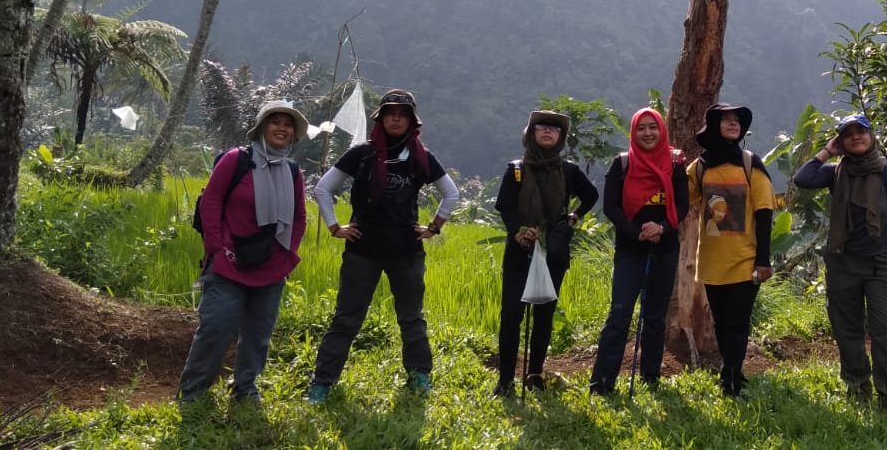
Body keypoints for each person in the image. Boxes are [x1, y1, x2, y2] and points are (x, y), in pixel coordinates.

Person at [306, 89, 460, 402]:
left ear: (411, 122)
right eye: (390, 113)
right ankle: (322, 382)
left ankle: (419, 376)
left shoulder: (421, 157)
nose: (396, 119)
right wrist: (335, 227)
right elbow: (323, 189)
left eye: (402, 115)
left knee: (411, 317)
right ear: (381, 117)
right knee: (347, 318)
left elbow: (451, 194)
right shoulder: (361, 153)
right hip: (363, 249)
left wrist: (434, 227)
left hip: (406, 250)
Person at [178, 100, 309, 404]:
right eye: (274, 122)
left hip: (272, 266)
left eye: (287, 124)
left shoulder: (292, 172)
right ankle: (193, 393)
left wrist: (289, 252)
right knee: (216, 326)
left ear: (293, 133)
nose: (281, 128)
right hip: (229, 262)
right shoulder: (237, 160)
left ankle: (245, 388)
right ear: (262, 127)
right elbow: (211, 201)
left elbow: (299, 216)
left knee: (258, 334)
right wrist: (216, 248)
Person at [792, 113, 887, 411]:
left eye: (862, 132)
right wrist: (827, 151)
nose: (856, 137)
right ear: (841, 141)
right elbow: (803, 178)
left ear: (872, 137)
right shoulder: (835, 173)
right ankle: (858, 389)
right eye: (848, 134)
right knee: (847, 330)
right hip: (844, 263)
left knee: (885, 331)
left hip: (881, 265)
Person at [490, 110, 600, 397]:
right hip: (520, 249)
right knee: (512, 314)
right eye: (542, 127)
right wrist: (519, 231)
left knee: (544, 314)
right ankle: (505, 380)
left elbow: (591, 196)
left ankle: (535, 374)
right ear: (531, 133)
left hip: (553, 251)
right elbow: (505, 206)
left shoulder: (568, 170)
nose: (548, 132)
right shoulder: (516, 169)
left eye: (554, 129)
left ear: (561, 137)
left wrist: (573, 218)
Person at [589, 107, 688, 395]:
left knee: (655, 317)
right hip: (630, 250)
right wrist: (638, 233)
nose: (647, 133)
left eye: (652, 127)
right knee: (619, 315)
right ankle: (602, 382)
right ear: (634, 131)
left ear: (661, 130)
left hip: (665, 248)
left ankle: (651, 377)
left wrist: (660, 228)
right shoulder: (621, 164)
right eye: (641, 128)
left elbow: (682, 206)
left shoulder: (675, 163)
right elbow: (611, 208)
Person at [689, 103, 774, 397]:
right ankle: (732, 370)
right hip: (712, 261)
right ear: (714, 125)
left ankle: (731, 378)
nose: (733, 123)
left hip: (744, 259)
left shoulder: (751, 164)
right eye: (726, 119)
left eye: (737, 120)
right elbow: (680, 197)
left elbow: (765, 212)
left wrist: (763, 260)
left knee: (738, 320)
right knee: (721, 322)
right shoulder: (700, 167)